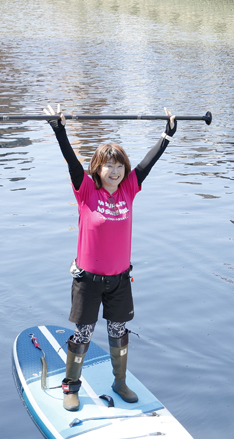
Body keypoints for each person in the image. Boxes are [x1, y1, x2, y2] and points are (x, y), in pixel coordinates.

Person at [45, 104, 177, 412]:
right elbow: (70, 161)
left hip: (119, 280)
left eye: (119, 165)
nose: (115, 171)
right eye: (108, 166)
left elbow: (148, 163)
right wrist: (59, 130)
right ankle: (71, 386)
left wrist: (166, 136)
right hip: (88, 280)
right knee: (83, 333)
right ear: (98, 169)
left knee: (119, 331)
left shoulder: (129, 188)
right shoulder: (86, 190)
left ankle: (119, 382)